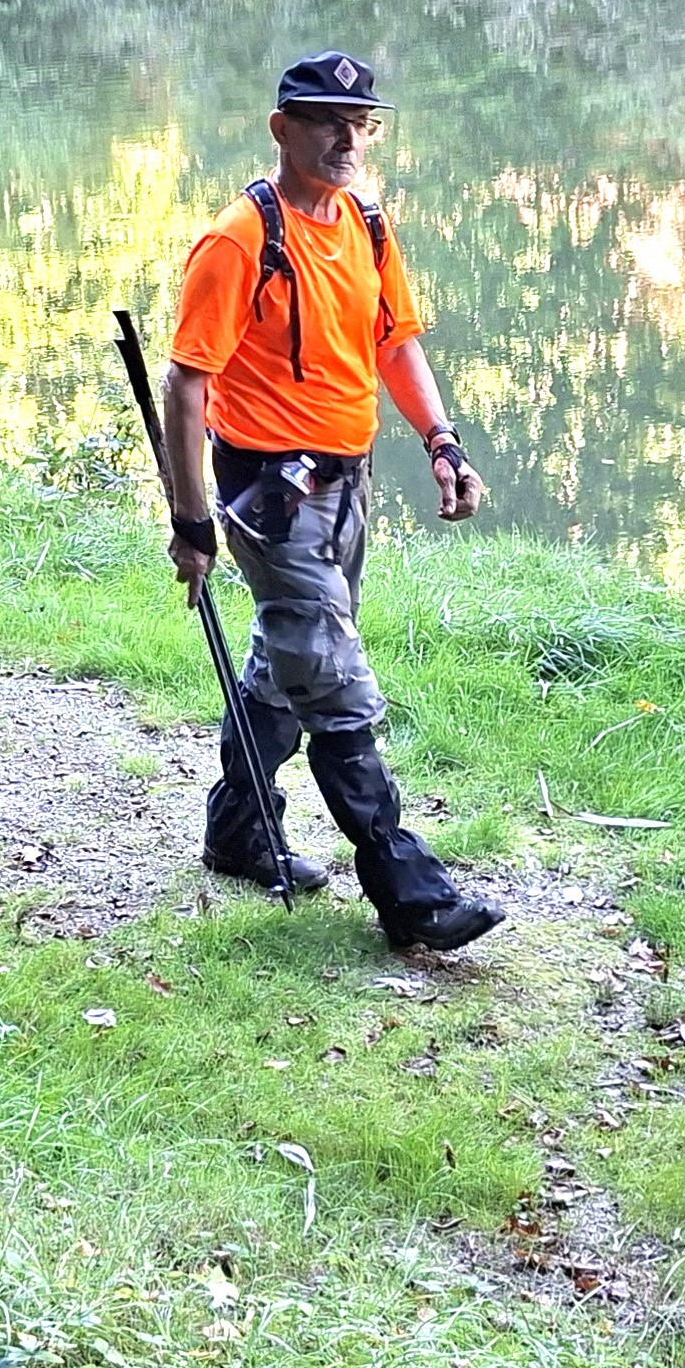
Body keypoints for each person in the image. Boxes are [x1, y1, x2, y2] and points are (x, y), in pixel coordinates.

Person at [156, 52, 504, 956]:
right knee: (336, 685)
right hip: (268, 494)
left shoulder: (367, 224)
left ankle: (237, 832)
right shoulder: (240, 239)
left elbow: (397, 344)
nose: (346, 138)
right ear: (282, 128)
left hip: (347, 481)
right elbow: (187, 384)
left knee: (287, 665)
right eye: (323, 120)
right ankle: (411, 892)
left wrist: (442, 441)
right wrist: (191, 521)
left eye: (361, 122)